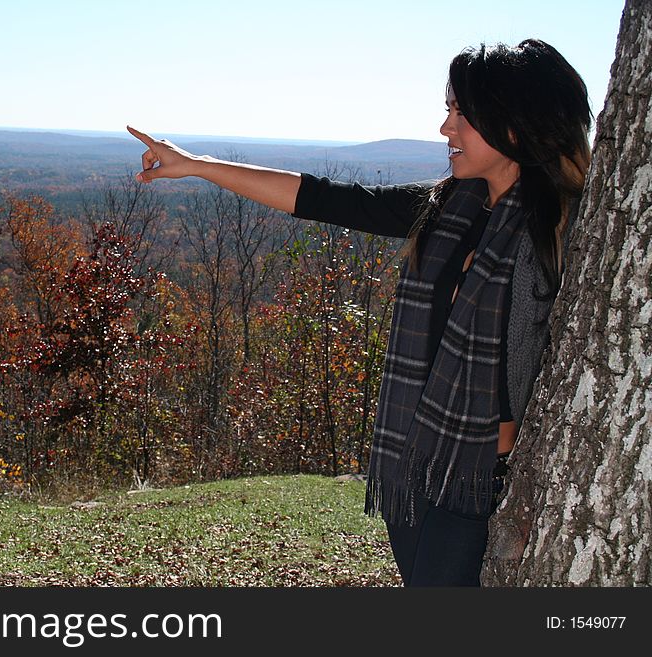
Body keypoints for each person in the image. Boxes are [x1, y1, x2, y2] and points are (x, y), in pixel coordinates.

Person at [127, 38, 592, 586]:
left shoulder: (561, 231)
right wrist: (197, 166)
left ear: (513, 127)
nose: (446, 129)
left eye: (461, 114)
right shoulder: (450, 206)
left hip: (474, 477)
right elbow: (326, 198)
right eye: (449, 111)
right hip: (413, 462)